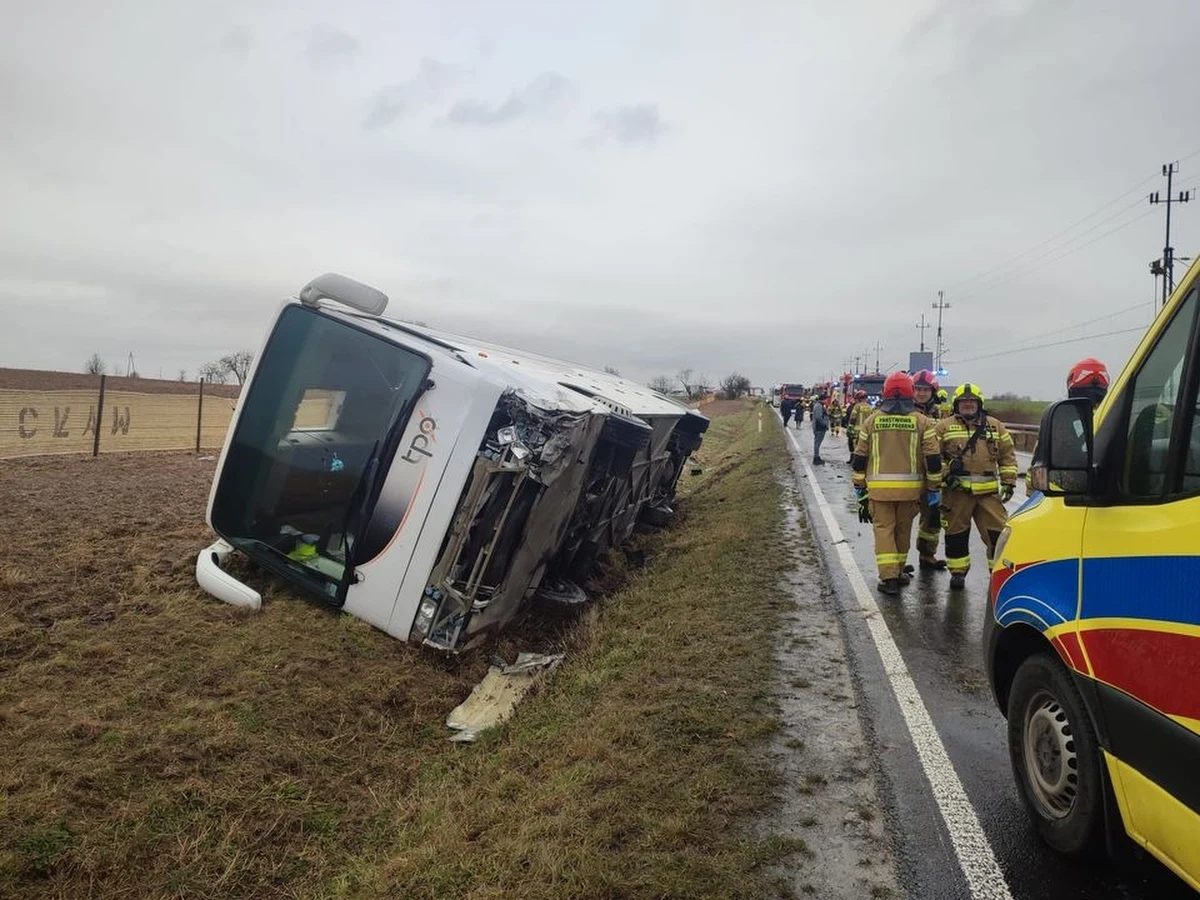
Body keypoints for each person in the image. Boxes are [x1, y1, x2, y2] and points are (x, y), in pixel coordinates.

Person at [852, 372, 942, 596]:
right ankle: (899, 570)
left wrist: (859, 488)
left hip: (879, 492)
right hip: (910, 492)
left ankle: (889, 577)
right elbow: (933, 459)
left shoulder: (872, 421)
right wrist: (933, 489)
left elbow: (860, 457)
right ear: (911, 393)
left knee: (884, 531)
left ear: (885, 393)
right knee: (903, 531)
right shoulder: (922, 421)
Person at [935, 383, 1018, 590]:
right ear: (957, 405)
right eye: (964, 402)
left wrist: (1008, 482)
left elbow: (1007, 455)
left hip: (988, 496)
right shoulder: (943, 427)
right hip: (956, 493)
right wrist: (946, 475)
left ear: (979, 404)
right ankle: (957, 573)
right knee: (956, 535)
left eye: (972, 401)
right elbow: (932, 457)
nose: (968, 405)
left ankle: (997, 573)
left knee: (998, 535)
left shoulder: (995, 426)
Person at [1026, 358, 1110, 495]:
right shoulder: (1113, 412)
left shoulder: (1061, 414)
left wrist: (1033, 492)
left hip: (1064, 489)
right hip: (1105, 489)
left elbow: (1041, 454)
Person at [911, 371, 945, 570]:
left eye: (925, 390)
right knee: (903, 520)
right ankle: (897, 564)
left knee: (932, 518)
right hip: (910, 472)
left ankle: (927, 555)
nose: (922, 393)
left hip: (932, 474)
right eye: (918, 389)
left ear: (933, 391)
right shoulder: (904, 411)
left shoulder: (940, 413)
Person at [810, 392, 830, 465]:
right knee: (817, 443)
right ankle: (816, 458)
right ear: (823, 399)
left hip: (820, 427)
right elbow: (818, 417)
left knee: (817, 443)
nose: (827, 400)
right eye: (826, 399)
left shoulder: (820, 405)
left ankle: (817, 457)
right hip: (819, 428)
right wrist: (824, 424)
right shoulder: (818, 406)